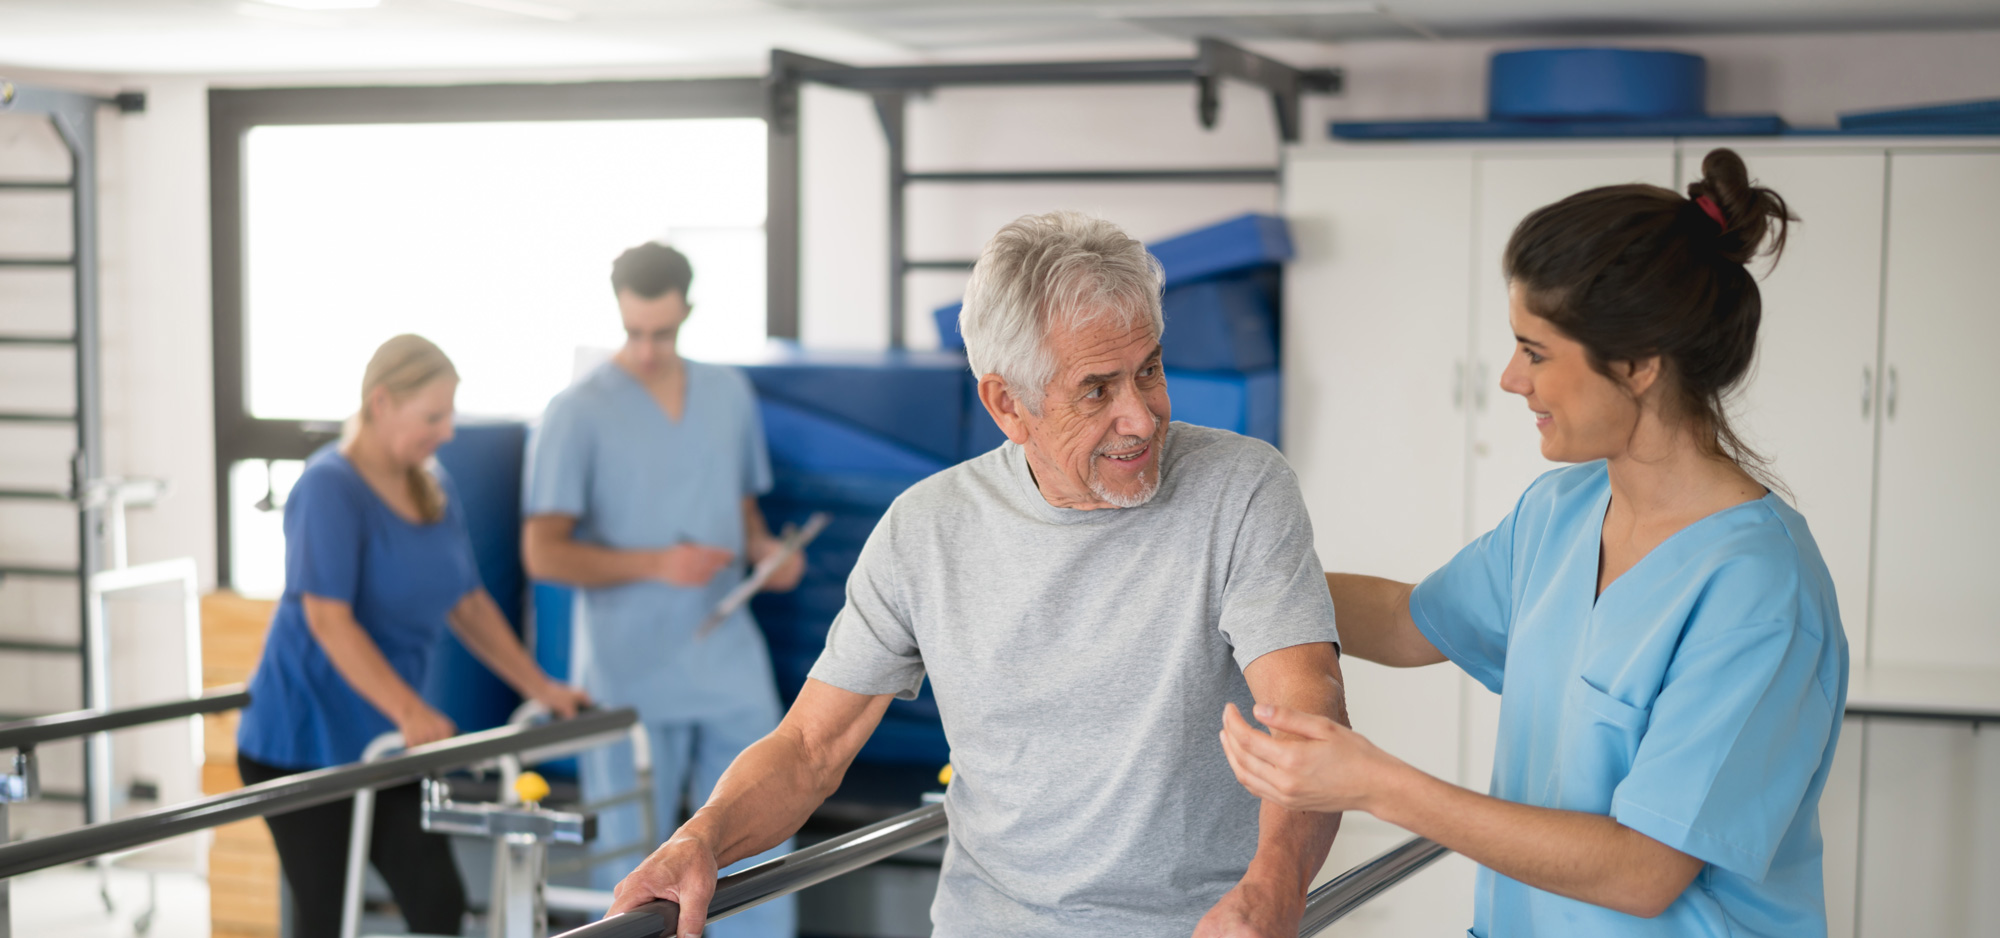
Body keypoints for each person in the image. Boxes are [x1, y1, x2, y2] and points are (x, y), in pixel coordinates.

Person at [606, 211, 1347, 938]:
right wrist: (697, 840)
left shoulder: (1243, 489)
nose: (1142, 417)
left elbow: (1309, 718)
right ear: (1006, 404)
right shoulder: (925, 530)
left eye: (1148, 371)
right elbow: (809, 750)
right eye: (1097, 389)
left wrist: (1271, 892)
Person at [1219, 148, 1849, 937]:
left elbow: (1643, 870)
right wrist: (1221, 581)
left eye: (1537, 351)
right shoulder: (1562, 511)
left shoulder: (1760, 592)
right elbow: (1410, 620)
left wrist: (1377, 785)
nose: (1511, 379)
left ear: (1638, 363)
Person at [236, 334, 590, 938]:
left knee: (438, 902)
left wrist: (543, 687)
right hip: (303, 744)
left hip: (384, 745)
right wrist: (409, 708)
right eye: (433, 415)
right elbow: (328, 620)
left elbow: (469, 603)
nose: (448, 430)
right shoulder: (328, 488)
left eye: (451, 412)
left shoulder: (433, 485)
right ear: (381, 403)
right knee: (328, 915)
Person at [521, 242, 804, 936]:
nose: (648, 350)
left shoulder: (726, 394)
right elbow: (542, 552)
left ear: (688, 313)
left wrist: (770, 554)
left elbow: (743, 519)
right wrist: (655, 564)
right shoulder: (576, 412)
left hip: (725, 655)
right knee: (641, 864)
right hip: (628, 666)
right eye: (634, 333)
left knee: (760, 837)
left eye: (663, 333)